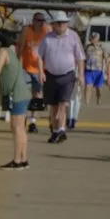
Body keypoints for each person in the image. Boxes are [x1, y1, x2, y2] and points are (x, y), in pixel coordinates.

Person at [37, 11, 83, 142]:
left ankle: (61, 128)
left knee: (63, 103)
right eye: (59, 23)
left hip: (67, 75)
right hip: (50, 75)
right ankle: (57, 130)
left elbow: (80, 57)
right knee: (53, 105)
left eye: (64, 22)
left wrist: (81, 74)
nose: (62, 25)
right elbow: (40, 56)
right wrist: (40, 72)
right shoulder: (47, 38)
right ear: (53, 25)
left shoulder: (73, 36)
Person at [0, 36, 32, 168]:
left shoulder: (4, 51)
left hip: (17, 95)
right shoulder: (12, 51)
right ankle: (23, 159)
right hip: (22, 93)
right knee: (21, 128)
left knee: (16, 128)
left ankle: (17, 160)